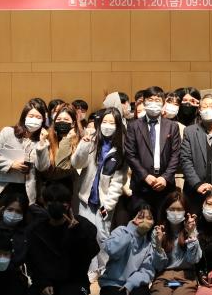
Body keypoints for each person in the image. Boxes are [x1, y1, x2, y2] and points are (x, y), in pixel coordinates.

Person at [71, 108, 128, 282]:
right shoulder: (91, 141)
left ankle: (104, 268)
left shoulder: (121, 149)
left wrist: (108, 205)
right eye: (105, 122)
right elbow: (76, 163)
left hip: (104, 203)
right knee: (86, 234)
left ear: (118, 126)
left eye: (112, 123)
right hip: (86, 199)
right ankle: (90, 269)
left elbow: (118, 182)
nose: (107, 126)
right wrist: (83, 144)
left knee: (102, 235)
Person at [125, 86, 182, 213]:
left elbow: (176, 155)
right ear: (144, 102)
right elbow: (130, 155)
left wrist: (165, 178)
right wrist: (145, 176)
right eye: (150, 99)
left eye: (157, 100)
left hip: (166, 185)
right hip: (141, 186)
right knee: (142, 222)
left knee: (163, 221)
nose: (154, 103)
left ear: (163, 103)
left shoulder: (172, 126)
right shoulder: (133, 126)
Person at [0, 100, 46, 204]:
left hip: (25, 190)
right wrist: (11, 164)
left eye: (38, 117)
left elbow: (42, 167)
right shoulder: (8, 132)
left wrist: (42, 144)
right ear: (24, 117)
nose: (34, 119)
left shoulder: (42, 141)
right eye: (31, 116)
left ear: (43, 120)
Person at [35, 103, 81, 195]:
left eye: (66, 119)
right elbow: (41, 167)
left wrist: (67, 139)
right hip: (46, 188)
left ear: (73, 123)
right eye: (59, 119)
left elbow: (63, 166)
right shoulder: (47, 137)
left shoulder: (78, 140)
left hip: (68, 189)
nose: (62, 122)